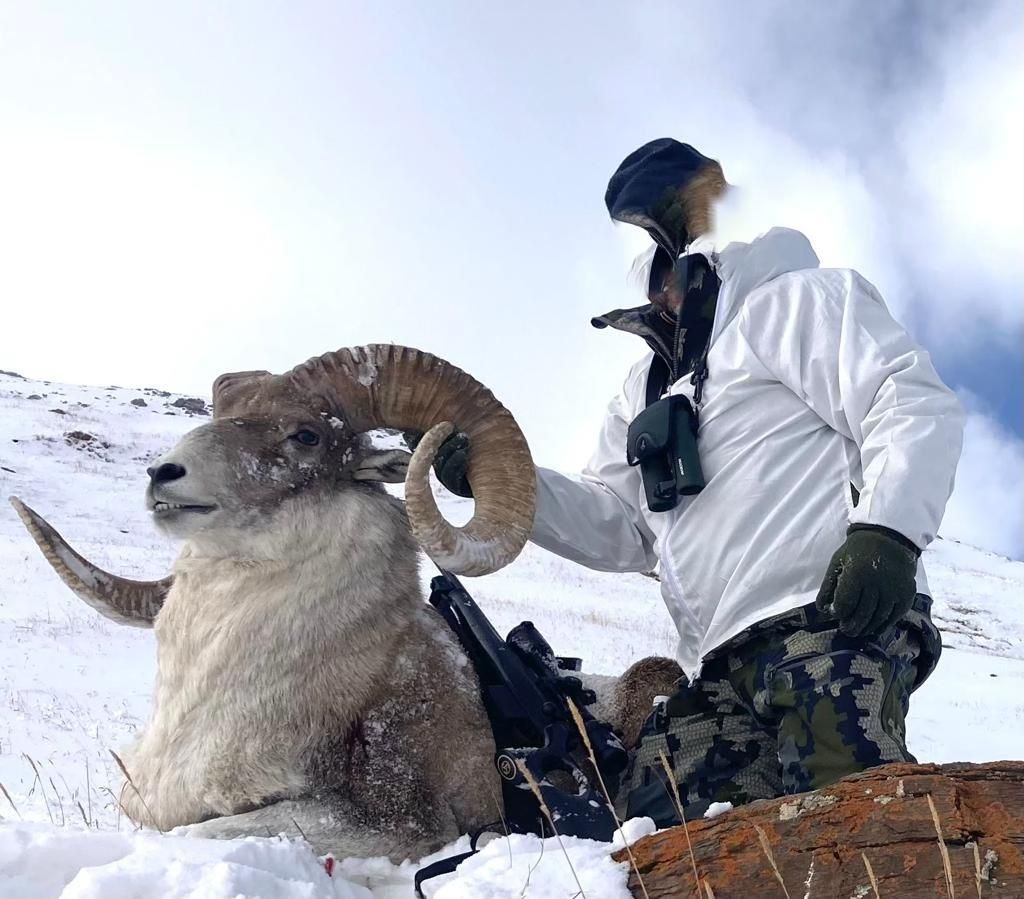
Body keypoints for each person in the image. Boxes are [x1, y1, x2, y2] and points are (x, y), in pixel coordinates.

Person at [418, 138, 965, 824]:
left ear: (700, 261)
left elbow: (906, 397)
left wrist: (889, 532)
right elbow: (619, 525)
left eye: (669, 273)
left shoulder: (790, 302)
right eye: (652, 282)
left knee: (850, 818)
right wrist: (492, 473)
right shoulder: (643, 393)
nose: (661, 294)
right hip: (717, 666)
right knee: (654, 833)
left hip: (828, 620)